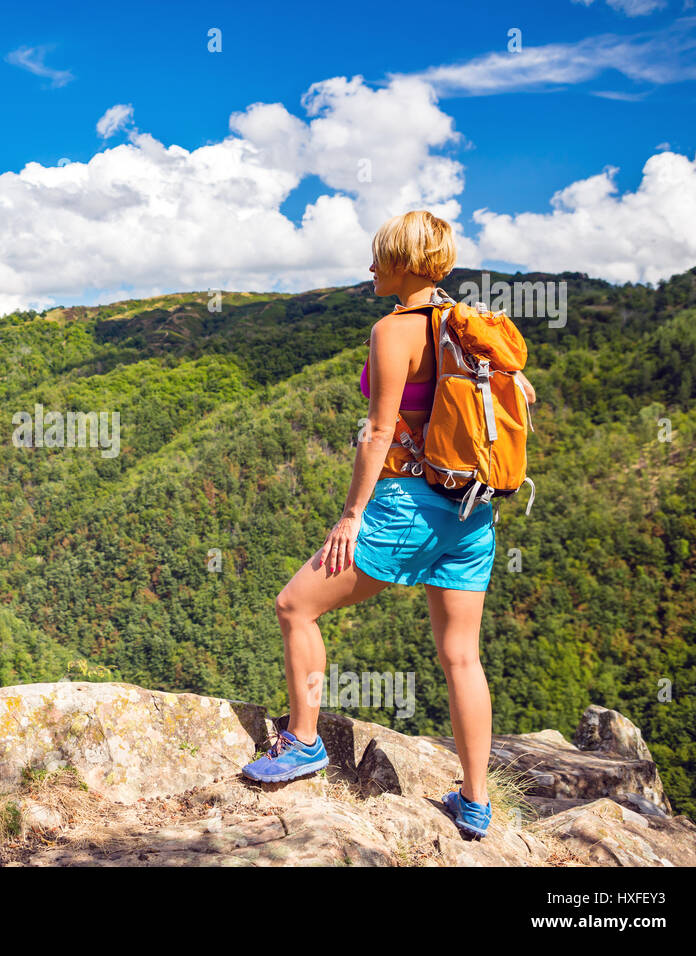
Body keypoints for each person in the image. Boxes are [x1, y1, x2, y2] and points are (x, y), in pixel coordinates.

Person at [241, 210, 536, 840]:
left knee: (295, 606)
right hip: (472, 509)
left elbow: (377, 432)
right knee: (462, 657)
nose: (371, 268)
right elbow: (522, 396)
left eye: (379, 258)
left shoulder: (392, 330)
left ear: (403, 263)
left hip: (408, 507)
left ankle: (302, 741)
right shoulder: (471, 327)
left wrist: (351, 516)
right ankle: (475, 802)